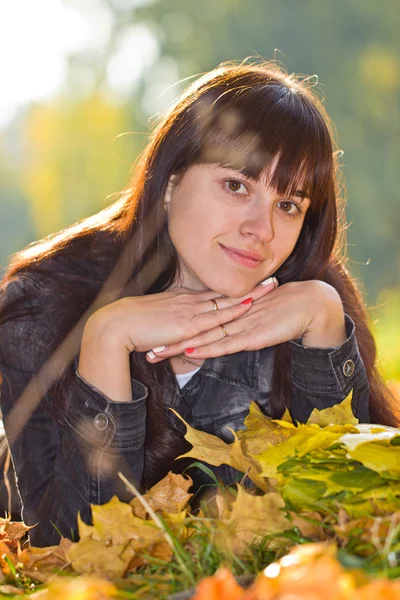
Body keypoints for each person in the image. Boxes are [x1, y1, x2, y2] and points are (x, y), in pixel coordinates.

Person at [0, 61, 397, 547]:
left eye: (288, 204)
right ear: (171, 183)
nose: (263, 230)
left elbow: (352, 521)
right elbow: (67, 553)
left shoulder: (312, 298)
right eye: (237, 186)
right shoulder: (42, 302)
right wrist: (106, 339)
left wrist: (324, 329)